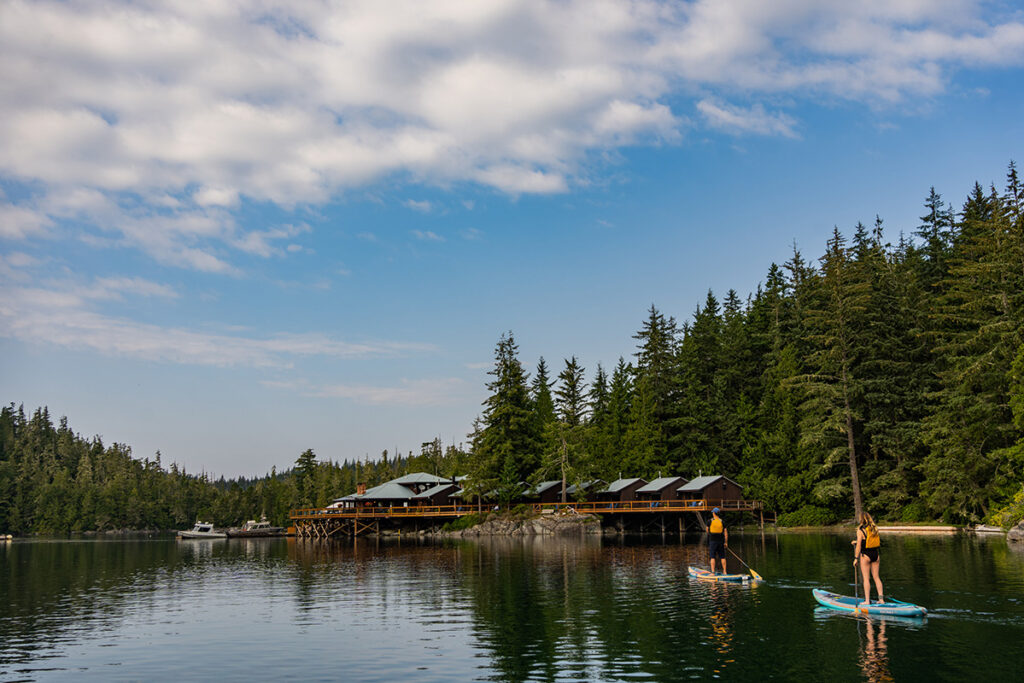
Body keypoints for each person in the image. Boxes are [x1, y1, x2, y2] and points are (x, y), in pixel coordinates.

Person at [852, 511, 884, 606]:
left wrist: (855, 558)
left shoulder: (860, 530)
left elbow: (859, 546)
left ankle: (867, 600)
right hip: (876, 554)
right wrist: (856, 541)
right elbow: (868, 541)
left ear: (861, 519)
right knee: (876, 577)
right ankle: (881, 599)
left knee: (866, 579)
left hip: (865, 556)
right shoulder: (874, 528)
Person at [708, 507, 728, 574]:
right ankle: (725, 571)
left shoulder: (710, 521)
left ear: (714, 513)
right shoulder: (722, 521)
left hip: (713, 541)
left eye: (712, 512)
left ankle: (713, 572)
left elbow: (707, 530)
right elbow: (725, 533)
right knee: (722, 557)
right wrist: (725, 542)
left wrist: (711, 535)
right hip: (721, 541)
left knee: (712, 557)